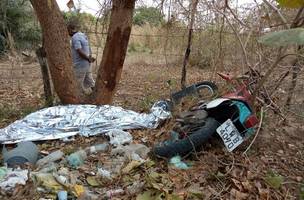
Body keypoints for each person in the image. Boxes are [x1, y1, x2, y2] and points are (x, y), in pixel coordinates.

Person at [67, 22, 95, 94]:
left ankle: (79, 102)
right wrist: (89, 58)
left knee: (77, 84)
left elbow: (79, 50)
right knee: (90, 80)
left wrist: (88, 58)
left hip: (80, 65)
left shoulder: (75, 37)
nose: (67, 33)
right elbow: (87, 48)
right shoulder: (83, 35)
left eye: (67, 31)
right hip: (87, 64)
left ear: (70, 30)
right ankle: (96, 95)